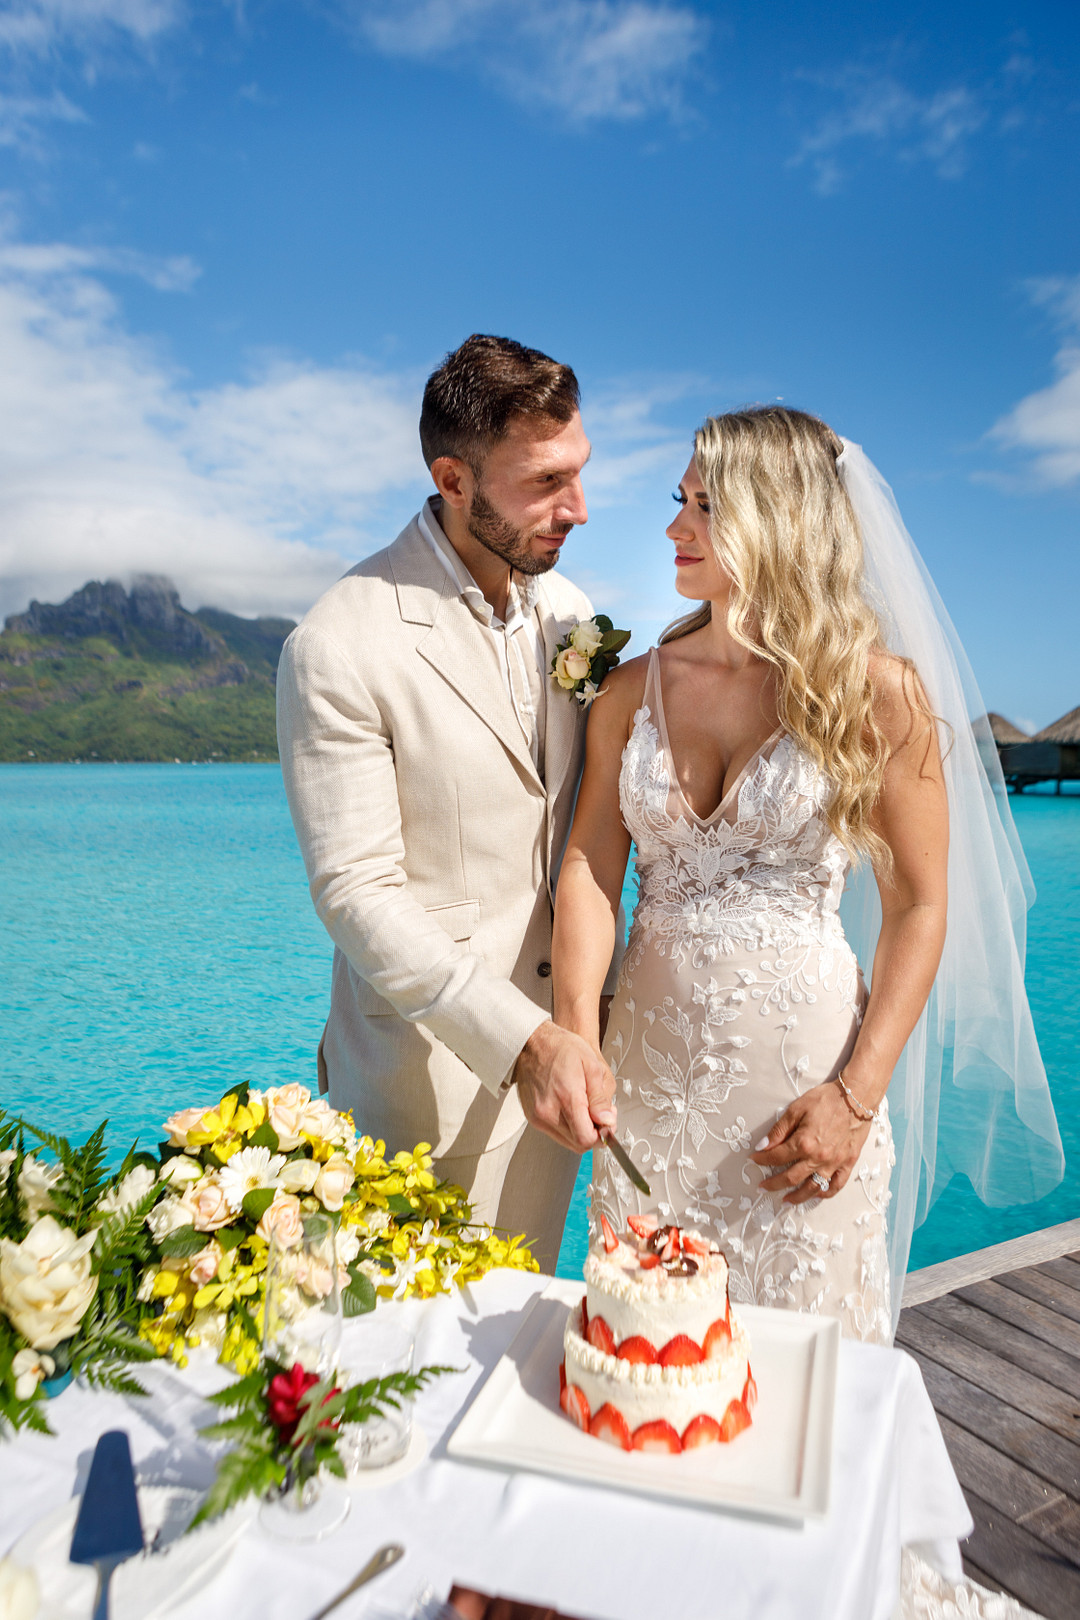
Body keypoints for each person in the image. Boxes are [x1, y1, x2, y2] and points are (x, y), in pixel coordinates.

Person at [552, 404, 1063, 1344]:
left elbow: (919, 905)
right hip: (650, 1089)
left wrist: (856, 1097)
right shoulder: (629, 693)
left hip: (806, 1088)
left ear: (776, 518)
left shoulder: (878, 694)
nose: (675, 527)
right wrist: (578, 1033)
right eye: (681, 501)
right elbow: (589, 862)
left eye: (704, 507)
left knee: (808, 1379)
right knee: (649, 1364)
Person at [277, 334, 621, 1272]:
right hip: (422, 1101)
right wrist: (526, 1043)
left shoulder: (574, 613)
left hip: (564, 1095)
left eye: (580, 473)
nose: (579, 510)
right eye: (547, 482)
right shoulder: (339, 643)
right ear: (454, 478)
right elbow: (356, 894)